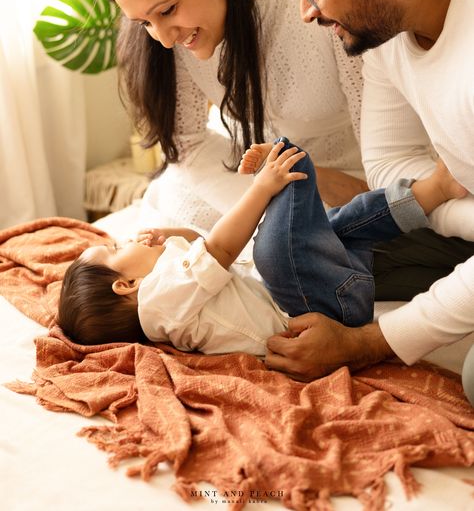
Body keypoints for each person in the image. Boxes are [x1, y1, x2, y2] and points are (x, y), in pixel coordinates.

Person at [260, 0, 474, 403]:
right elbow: (385, 163)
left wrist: (366, 342)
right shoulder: (387, 25)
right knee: (312, 257)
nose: (307, 12)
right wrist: (458, 214)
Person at [101, 0, 367, 240]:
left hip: (345, 184)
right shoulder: (173, 39)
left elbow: (382, 151)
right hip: (251, 178)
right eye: (144, 23)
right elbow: (187, 145)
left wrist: (301, 180)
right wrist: (260, 197)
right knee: (162, 235)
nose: (164, 40)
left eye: (167, 10)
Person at [57, 138, 464, 354]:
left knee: (343, 222)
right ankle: (290, 168)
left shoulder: (172, 298)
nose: (127, 238)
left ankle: (432, 190)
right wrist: (261, 190)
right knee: (271, 248)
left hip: (324, 292)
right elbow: (218, 250)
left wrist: (172, 236)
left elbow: (202, 247)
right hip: (313, 311)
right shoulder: (158, 306)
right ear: (125, 285)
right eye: (115, 249)